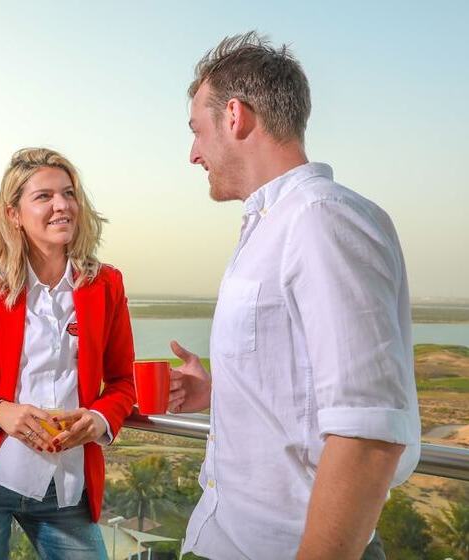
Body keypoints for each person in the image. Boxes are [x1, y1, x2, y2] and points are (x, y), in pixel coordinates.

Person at [168, 32, 421, 559]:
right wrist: (221, 391)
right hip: (226, 539)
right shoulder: (271, 226)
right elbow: (305, 390)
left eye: (196, 130)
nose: (193, 153)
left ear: (234, 116)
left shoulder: (321, 217)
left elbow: (368, 433)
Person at [0, 147, 136, 559]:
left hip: (66, 487)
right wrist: (2, 411)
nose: (62, 205)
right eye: (44, 196)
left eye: (69, 193)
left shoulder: (107, 285)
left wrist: (99, 419)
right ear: (13, 214)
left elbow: (123, 382)